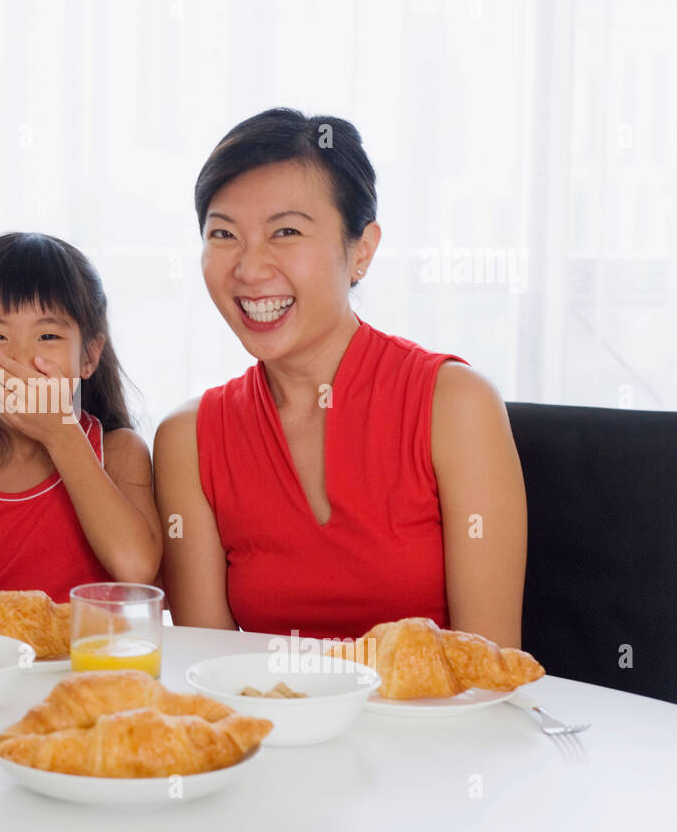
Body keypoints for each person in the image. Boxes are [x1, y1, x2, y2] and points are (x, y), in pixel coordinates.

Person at [154, 108, 527, 647]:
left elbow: (490, 670)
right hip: (274, 728)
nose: (250, 268)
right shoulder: (187, 438)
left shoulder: (455, 404)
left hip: (436, 729)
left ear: (362, 251)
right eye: (223, 233)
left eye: (285, 231)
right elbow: (209, 667)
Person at [0, 233, 161, 603]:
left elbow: (136, 568)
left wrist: (60, 433)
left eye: (47, 335)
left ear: (89, 356)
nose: (21, 357)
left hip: (91, 660)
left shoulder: (119, 453)